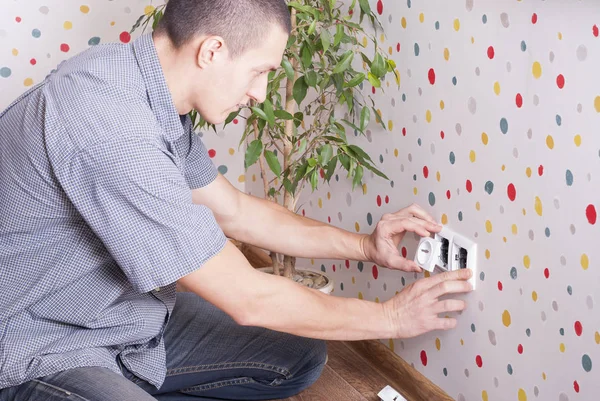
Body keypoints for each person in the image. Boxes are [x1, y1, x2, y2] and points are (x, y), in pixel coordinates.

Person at [0, 0, 473, 399]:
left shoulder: (147, 91)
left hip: (121, 315)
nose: (258, 93)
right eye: (260, 71)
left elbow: (236, 212)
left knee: (298, 356)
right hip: (42, 340)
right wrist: (391, 317)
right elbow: (247, 297)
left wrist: (365, 247)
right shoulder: (110, 123)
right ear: (212, 50)